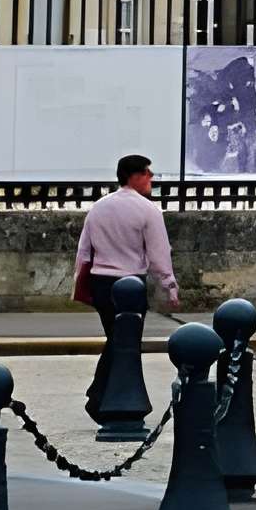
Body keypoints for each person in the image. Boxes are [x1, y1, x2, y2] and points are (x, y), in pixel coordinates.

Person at [75, 154, 176, 414]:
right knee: (125, 340)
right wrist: (169, 285)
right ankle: (101, 394)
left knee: (116, 337)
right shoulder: (148, 210)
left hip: (101, 281)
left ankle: (105, 395)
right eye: (148, 173)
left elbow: (84, 251)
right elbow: (159, 253)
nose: (151, 178)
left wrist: (80, 284)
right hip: (131, 283)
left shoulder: (98, 207)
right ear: (135, 176)